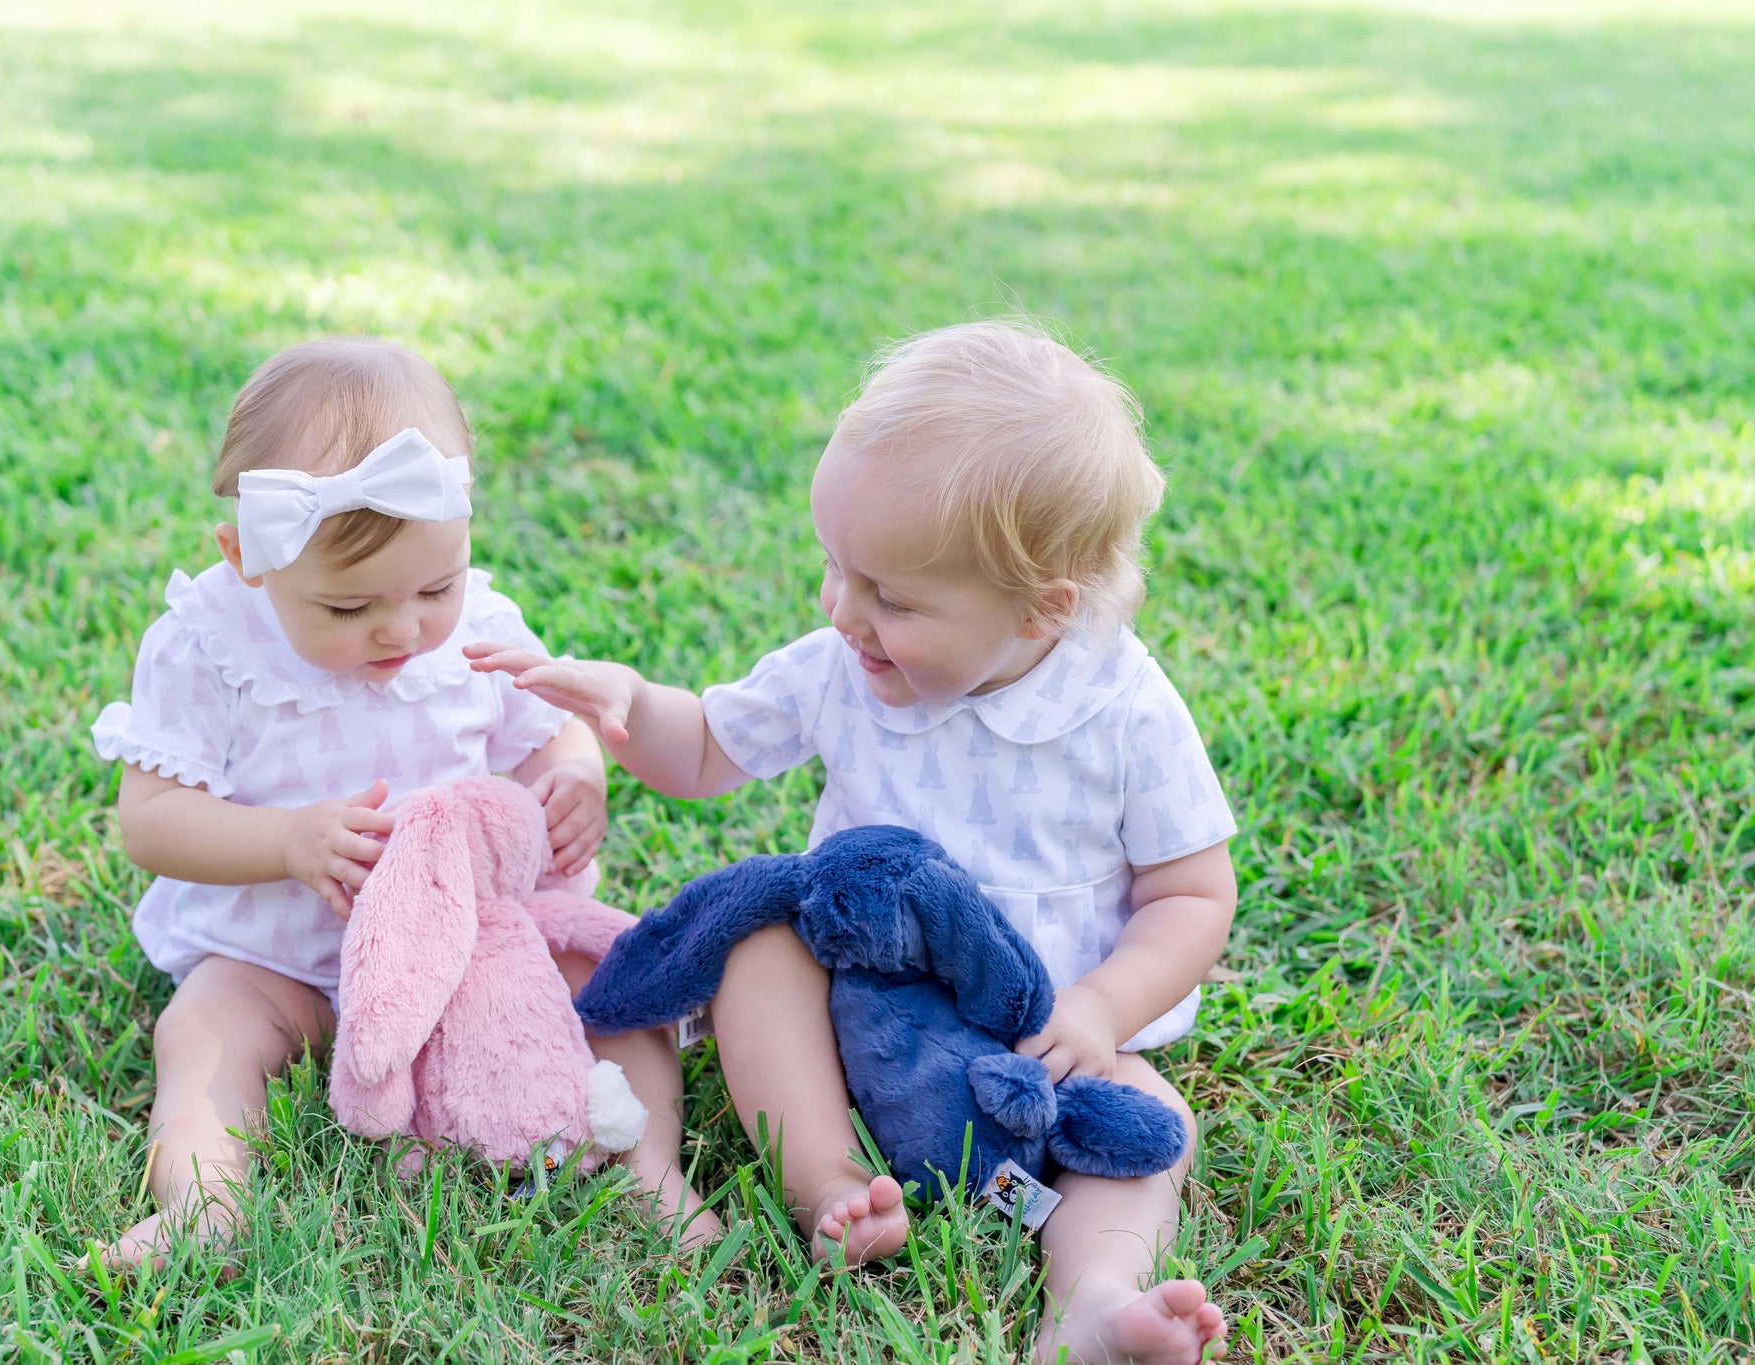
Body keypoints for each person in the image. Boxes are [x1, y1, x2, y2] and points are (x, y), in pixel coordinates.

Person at [469, 320, 1236, 1364]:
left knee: (1150, 1122)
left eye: (892, 596)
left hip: (1035, 1045)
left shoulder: (1122, 712)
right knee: (755, 953)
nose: (843, 610)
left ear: (1038, 610)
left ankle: (1092, 1300)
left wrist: (1100, 1008)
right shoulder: (840, 664)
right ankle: (832, 1184)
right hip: (850, 999)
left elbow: (1190, 894)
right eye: (836, 568)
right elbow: (702, 752)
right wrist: (632, 704)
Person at [87, 336, 719, 1270]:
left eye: (436, 586)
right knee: (201, 1031)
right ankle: (205, 1203)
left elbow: (551, 730)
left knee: (620, 986)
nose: (401, 627)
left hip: (468, 948)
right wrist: (286, 840)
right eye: (347, 608)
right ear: (246, 557)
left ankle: (650, 1166)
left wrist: (575, 777)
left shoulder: (480, 631)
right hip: (283, 962)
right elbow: (148, 819)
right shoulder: (208, 648)